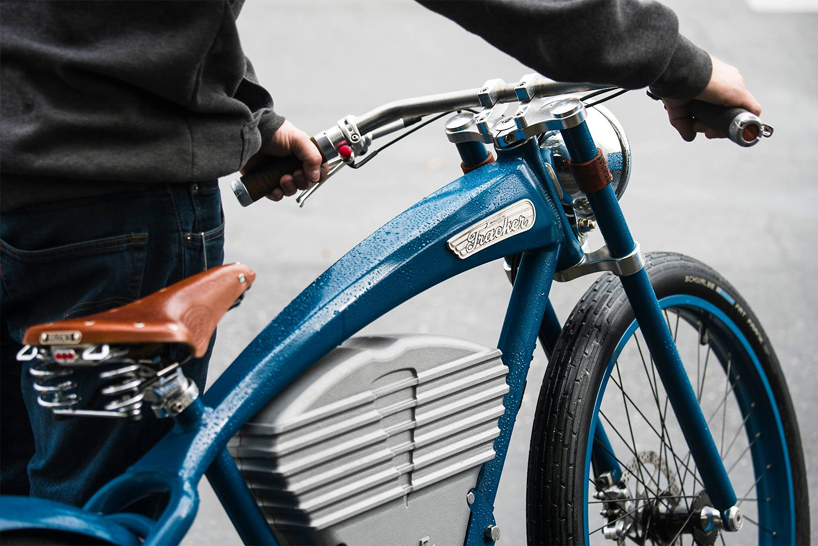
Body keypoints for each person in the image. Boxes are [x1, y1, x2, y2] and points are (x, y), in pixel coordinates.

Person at [0, 0, 760, 508]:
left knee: (24, 502)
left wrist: (249, 117)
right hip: (110, 193)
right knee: (95, 508)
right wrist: (677, 63)